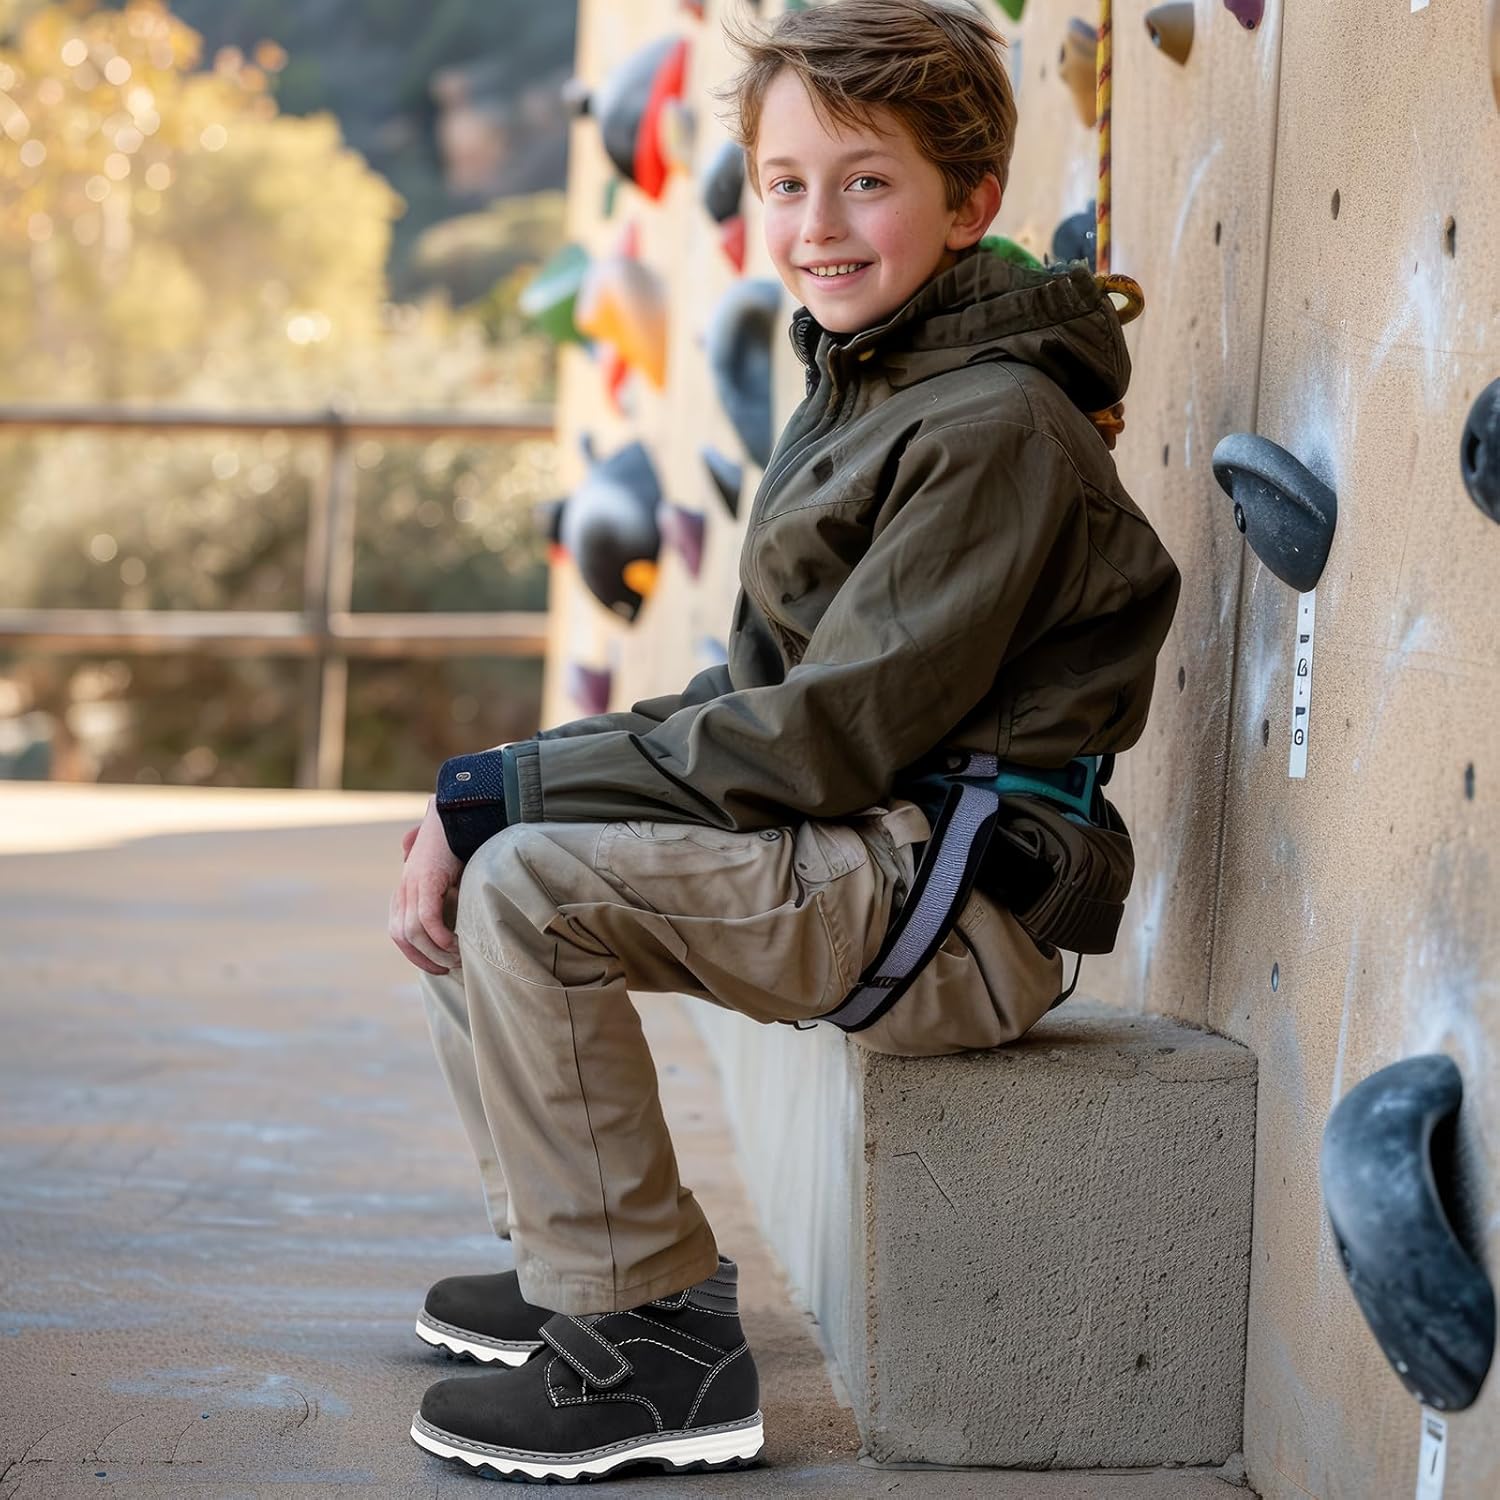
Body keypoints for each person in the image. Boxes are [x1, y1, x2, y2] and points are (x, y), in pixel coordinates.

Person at [390, 0, 1181, 1482]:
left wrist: (500, 800)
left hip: (954, 907)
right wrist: (488, 788)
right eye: (786, 182)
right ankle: (583, 1264)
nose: (819, 224)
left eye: (867, 182)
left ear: (971, 206)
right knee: (488, 841)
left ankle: (654, 1347)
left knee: (523, 884)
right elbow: (746, 694)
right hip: (870, 853)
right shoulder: (868, 386)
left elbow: (821, 740)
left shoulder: (994, 427)